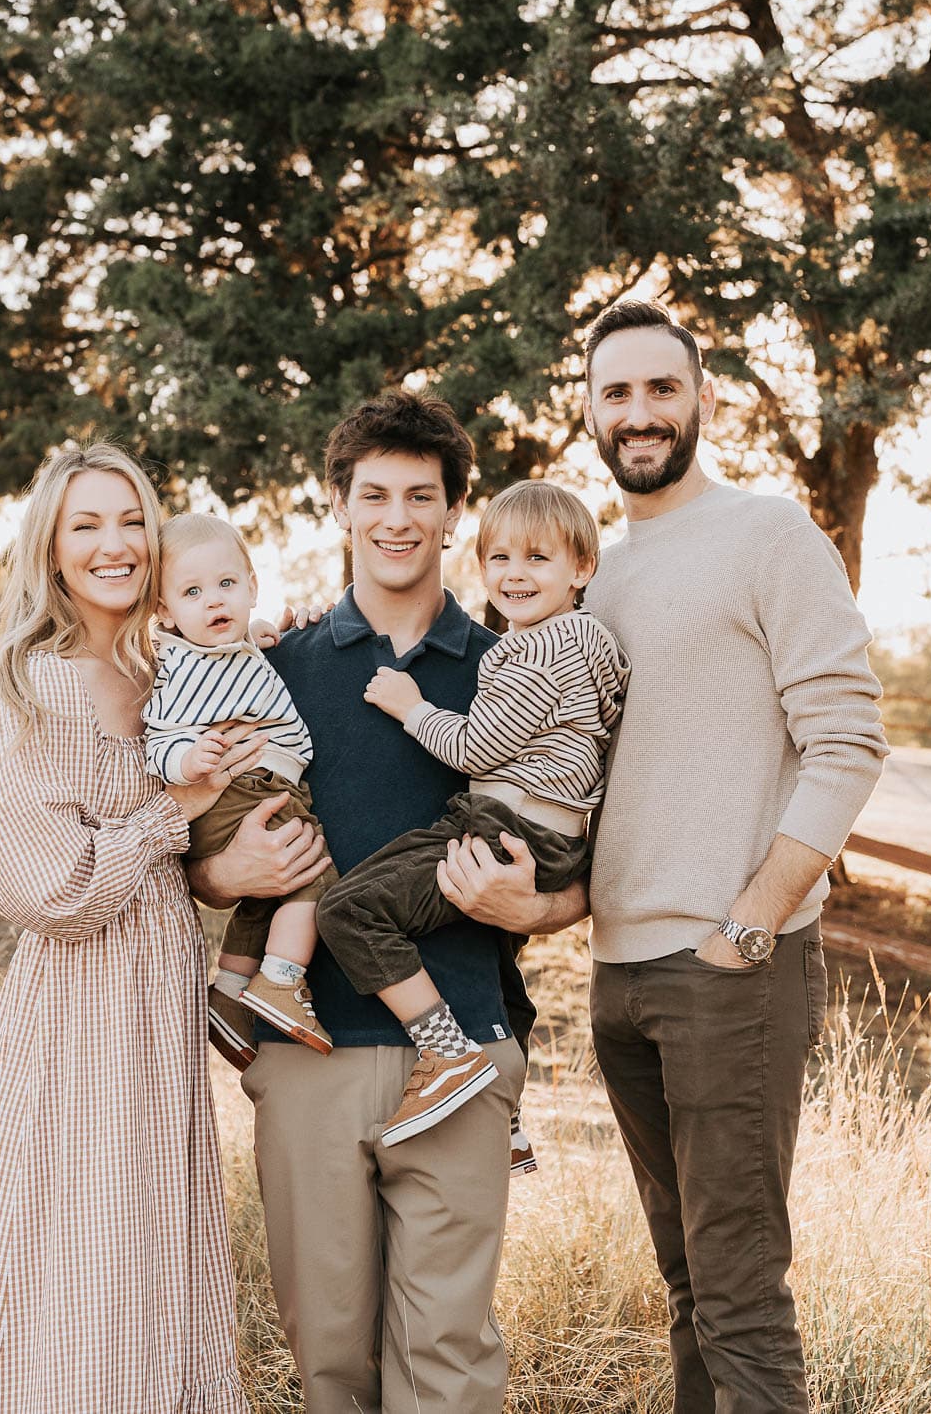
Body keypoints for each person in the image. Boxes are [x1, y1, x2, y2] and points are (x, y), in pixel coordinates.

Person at [186, 391, 588, 1413]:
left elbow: (587, 863)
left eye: (423, 495)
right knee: (329, 1363)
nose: (398, 517)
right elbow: (198, 848)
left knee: (447, 1365)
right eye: (376, 495)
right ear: (340, 505)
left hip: (460, 1046)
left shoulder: (518, 666)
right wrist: (226, 877)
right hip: (308, 1054)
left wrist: (531, 909)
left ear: (456, 512)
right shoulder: (274, 668)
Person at [580, 300, 888, 1413]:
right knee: (689, 1289)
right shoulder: (596, 579)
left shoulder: (770, 537)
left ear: (702, 398)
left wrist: (750, 919)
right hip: (619, 979)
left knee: (742, 1297)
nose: (641, 412)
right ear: (589, 410)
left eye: (663, 388)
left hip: (731, 973)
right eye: (617, 391)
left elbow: (849, 741)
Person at [0, 444, 252, 1414]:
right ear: (53, 549)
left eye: (131, 522)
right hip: (79, 999)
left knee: (158, 1234)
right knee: (75, 1240)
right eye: (87, 525)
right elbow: (47, 890)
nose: (115, 544)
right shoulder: (29, 687)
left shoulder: (179, 669)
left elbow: (201, 846)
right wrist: (172, 809)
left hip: (163, 989)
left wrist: (219, 857)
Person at [316, 479, 628, 1148]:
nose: (514, 575)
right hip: (554, 838)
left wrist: (411, 705)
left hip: (505, 827)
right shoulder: (596, 645)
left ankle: (446, 1053)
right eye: (500, 559)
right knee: (499, 958)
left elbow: (474, 745)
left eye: (537, 559)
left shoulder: (534, 652)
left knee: (349, 909)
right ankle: (509, 1119)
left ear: (582, 568)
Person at [142, 512, 336, 1061]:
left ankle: (227, 996)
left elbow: (239, 657)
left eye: (226, 584)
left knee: (269, 894)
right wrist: (189, 760)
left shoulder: (233, 649)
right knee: (314, 872)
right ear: (166, 611)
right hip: (241, 790)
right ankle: (280, 979)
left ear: (253, 586)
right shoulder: (177, 664)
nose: (213, 601)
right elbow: (158, 741)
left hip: (263, 785)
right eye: (192, 592)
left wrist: (256, 634)